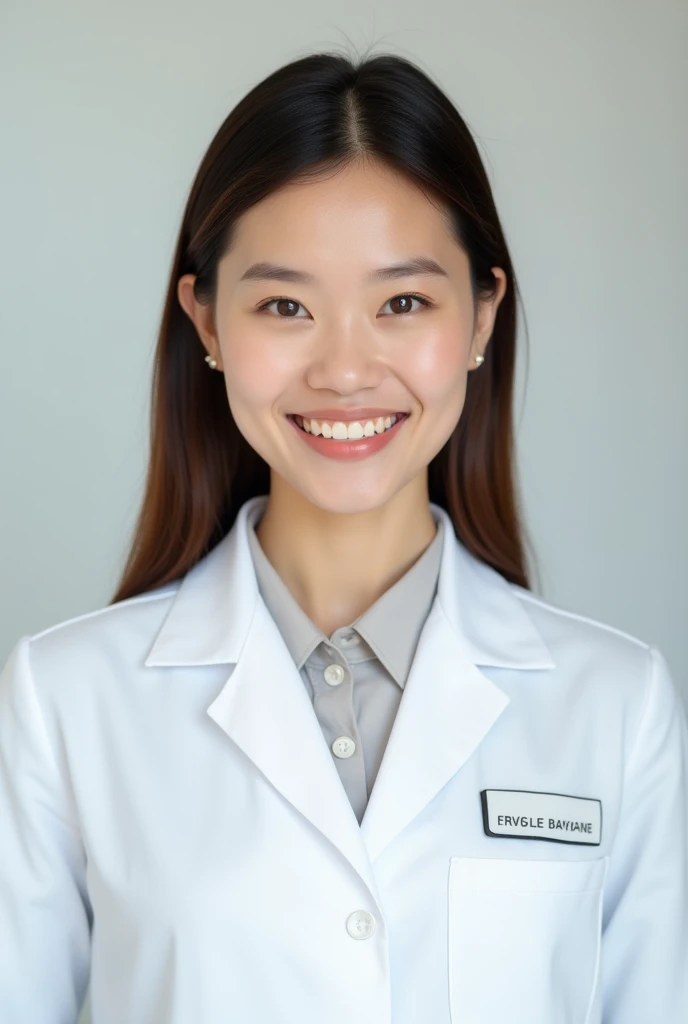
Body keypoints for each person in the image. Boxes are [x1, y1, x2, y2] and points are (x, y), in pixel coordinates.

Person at [0, 48, 686, 1024]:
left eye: (402, 302)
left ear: (484, 312)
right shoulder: (63, 703)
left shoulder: (615, 709)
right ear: (204, 319)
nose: (346, 369)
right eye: (285, 305)